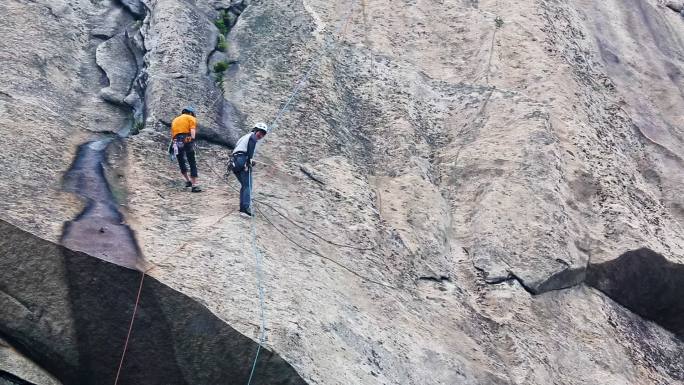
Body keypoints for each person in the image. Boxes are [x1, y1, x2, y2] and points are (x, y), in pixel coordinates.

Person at [232, 122, 268, 216]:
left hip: (235, 162)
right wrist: (248, 162)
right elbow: (249, 152)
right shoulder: (252, 137)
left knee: (244, 185)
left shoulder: (244, 137)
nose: (261, 135)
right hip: (241, 160)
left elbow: (238, 149)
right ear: (255, 130)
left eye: (263, 134)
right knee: (248, 185)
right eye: (260, 132)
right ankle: (246, 208)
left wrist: (248, 161)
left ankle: (242, 208)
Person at [170, 107, 202, 192]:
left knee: (181, 160)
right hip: (187, 139)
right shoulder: (191, 118)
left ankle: (188, 181)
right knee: (191, 161)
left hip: (176, 141)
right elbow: (192, 132)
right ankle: (194, 185)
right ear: (191, 113)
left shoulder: (175, 120)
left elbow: (173, 134)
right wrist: (192, 140)